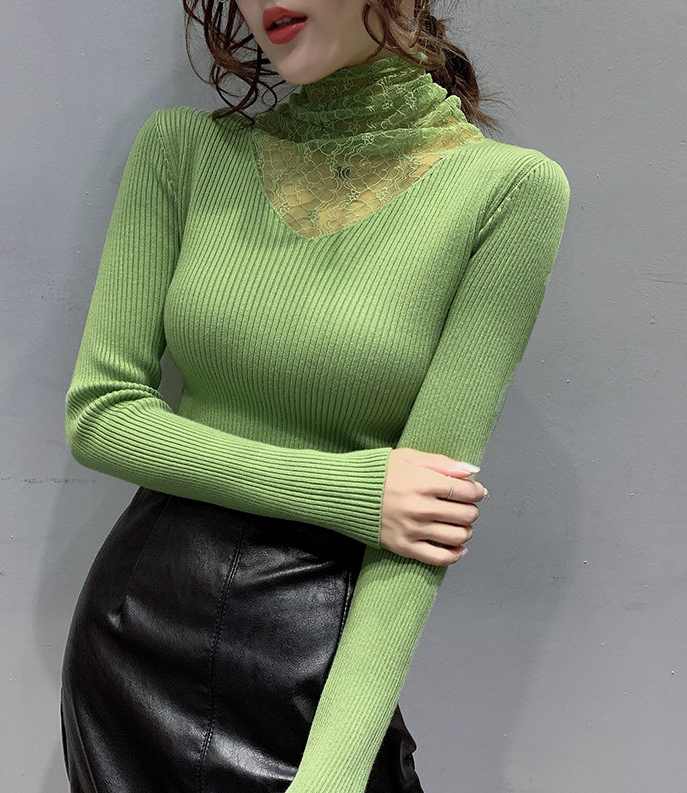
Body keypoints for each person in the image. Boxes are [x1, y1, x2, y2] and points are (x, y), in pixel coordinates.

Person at [59, 1, 571, 791]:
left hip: (322, 659)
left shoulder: (508, 192)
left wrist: (331, 775)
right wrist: (352, 490)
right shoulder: (184, 150)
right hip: (137, 645)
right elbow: (101, 414)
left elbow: (420, 534)